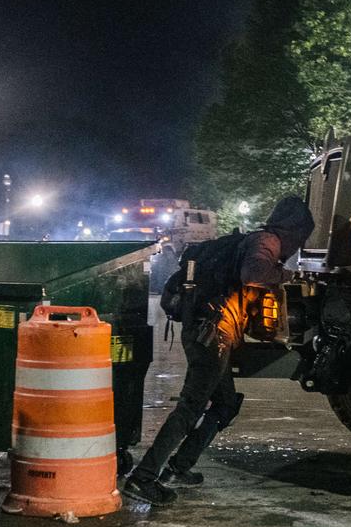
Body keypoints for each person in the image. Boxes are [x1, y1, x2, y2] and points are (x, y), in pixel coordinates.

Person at [122, 196, 315, 506]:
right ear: (293, 230)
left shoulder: (257, 239)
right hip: (212, 333)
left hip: (209, 331)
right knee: (191, 407)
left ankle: (178, 468)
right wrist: (289, 276)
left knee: (225, 403)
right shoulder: (267, 242)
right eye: (301, 236)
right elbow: (253, 275)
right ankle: (143, 478)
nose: (298, 245)